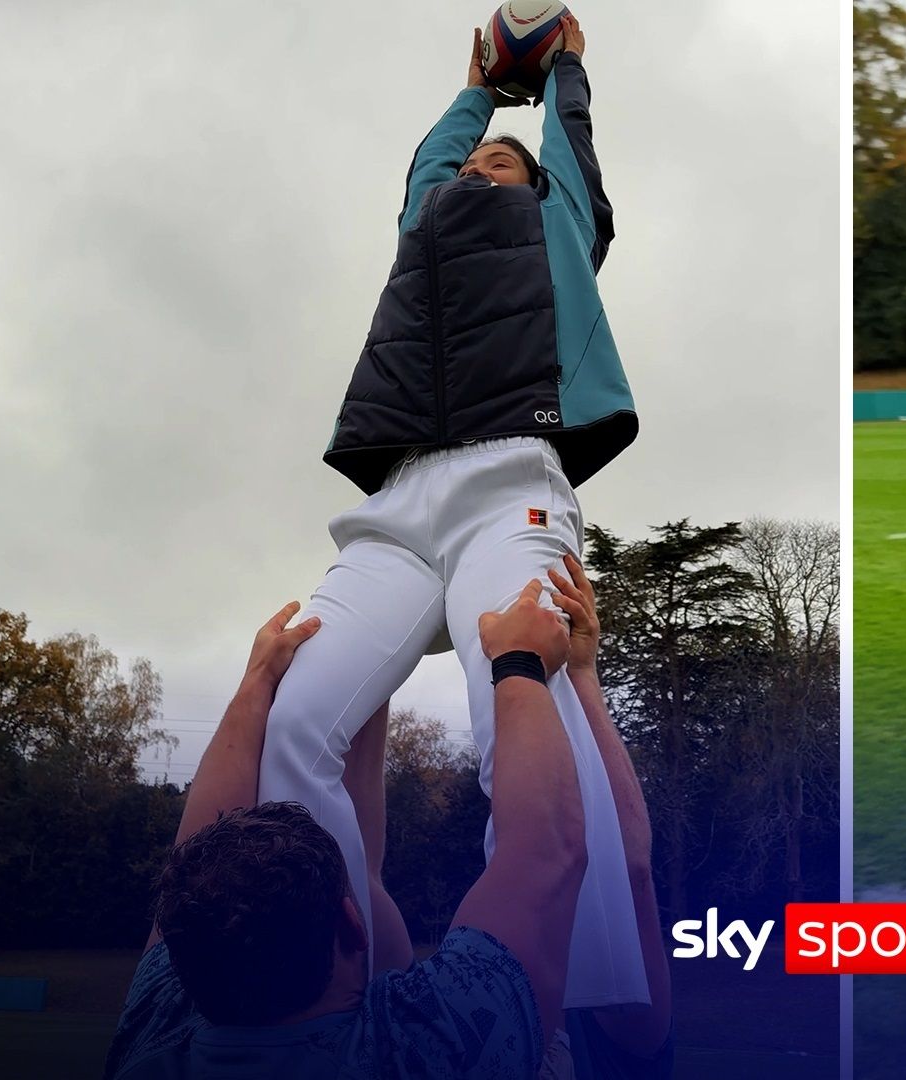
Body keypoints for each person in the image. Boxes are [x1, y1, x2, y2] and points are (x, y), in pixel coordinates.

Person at [259, 12, 649, 1009]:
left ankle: (562, 1022)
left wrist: (562, 72)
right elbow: (430, 162)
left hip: (510, 481)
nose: (479, 166)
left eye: (500, 162)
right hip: (397, 500)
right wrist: (475, 89)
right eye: (471, 161)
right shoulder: (427, 221)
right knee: (292, 720)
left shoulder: (558, 222)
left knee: (526, 703)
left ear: (539, 187)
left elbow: (570, 151)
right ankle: (333, 995)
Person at [103, 586, 587, 1078]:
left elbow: (205, 856)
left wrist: (316, 679)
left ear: (180, 950)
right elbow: (546, 852)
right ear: (354, 925)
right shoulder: (436, 1048)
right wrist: (520, 662)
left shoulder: (153, 1039)